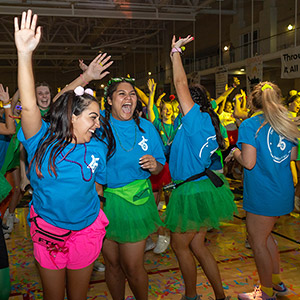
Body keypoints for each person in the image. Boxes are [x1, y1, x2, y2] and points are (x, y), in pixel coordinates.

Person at [14, 10, 114, 299]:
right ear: (72, 117)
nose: (98, 124)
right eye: (93, 117)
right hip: (48, 234)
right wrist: (24, 54)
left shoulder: (97, 146)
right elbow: (31, 107)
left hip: (86, 230)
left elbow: (98, 185)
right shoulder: (42, 141)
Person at [165, 35, 235, 300]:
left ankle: (191, 296)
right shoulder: (200, 121)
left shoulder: (195, 119)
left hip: (193, 191)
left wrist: (175, 52)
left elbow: (180, 82)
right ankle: (220, 296)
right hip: (202, 187)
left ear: (190, 103)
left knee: (179, 245)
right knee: (198, 246)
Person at [225, 82, 300, 300]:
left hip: (262, 193)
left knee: (258, 243)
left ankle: (266, 292)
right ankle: (276, 283)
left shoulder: (250, 125)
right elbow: (293, 155)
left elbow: (248, 162)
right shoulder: (285, 123)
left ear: (251, 102)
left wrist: (235, 151)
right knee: (267, 239)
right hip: (282, 191)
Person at [101, 77, 166, 300]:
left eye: (132, 94)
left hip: (135, 202)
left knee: (132, 265)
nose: (128, 98)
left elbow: (159, 167)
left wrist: (155, 165)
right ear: (109, 100)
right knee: (112, 264)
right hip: (103, 202)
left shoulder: (146, 127)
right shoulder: (98, 125)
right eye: (121, 94)